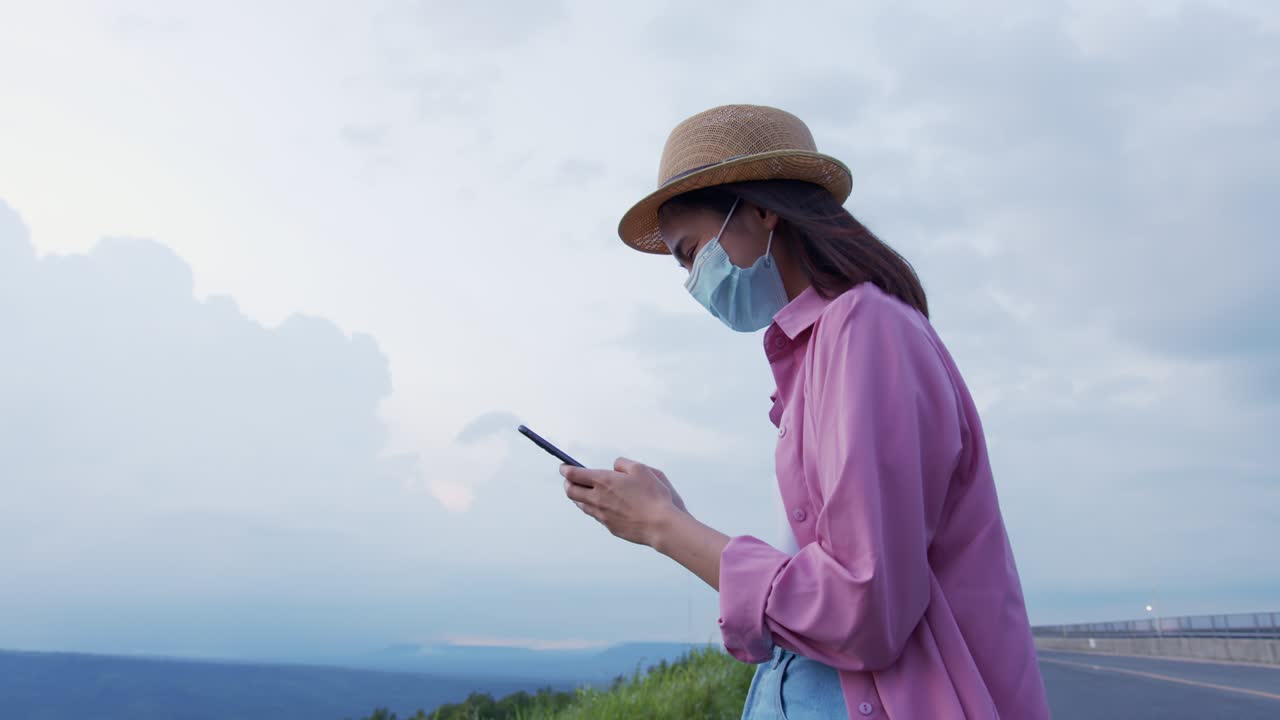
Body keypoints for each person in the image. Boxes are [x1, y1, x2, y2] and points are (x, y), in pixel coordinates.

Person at [559, 104, 1051, 719]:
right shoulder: (821, 350)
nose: (691, 279)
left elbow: (862, 606)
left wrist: (664, 526)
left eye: (691, 254)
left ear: (764, 209)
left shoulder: (864, 329)